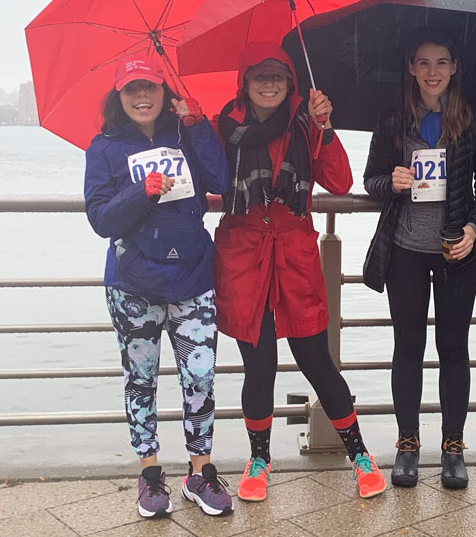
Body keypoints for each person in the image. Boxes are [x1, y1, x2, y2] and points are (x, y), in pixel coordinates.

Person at [213, 42, 386, 502]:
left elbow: (342, 181)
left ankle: (361, 456)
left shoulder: (307, 121)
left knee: (316, 359)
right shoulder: (223, 126)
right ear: (244, 84)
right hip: (243, 253)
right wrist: (190, 128)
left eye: (278, 76)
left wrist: (326, 128)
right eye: (259, 76)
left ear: (291, 82)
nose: (269, 84)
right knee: (260, 364)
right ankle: (259, 460)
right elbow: (207, 176)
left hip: (294, 250)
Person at [83, 52, 234, 519]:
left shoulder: (185, 133)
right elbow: (101, 219)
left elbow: (223, 181)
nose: (142, 96)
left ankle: (200, 472)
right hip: (133, 285)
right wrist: (142, 190)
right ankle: (150, 475)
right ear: (119, 97)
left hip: (193, 278)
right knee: (141, 380)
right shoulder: (103, 148)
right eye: (132, 89)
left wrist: (200, 126)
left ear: (165, 93)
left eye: (150, 87)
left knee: (201, 378)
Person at [362, 29, 476, 490]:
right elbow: (371, 180)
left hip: (455, 251)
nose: (433, 72)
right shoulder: (392, 120)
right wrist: (393, 181)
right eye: (423, 63)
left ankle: (453, 446)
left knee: (454, 349)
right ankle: (407, 444)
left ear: (455, 67)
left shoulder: (475, 122)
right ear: (411, 68)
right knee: (408, 348)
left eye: (441, 62)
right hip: (405, 251)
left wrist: (473, 230)